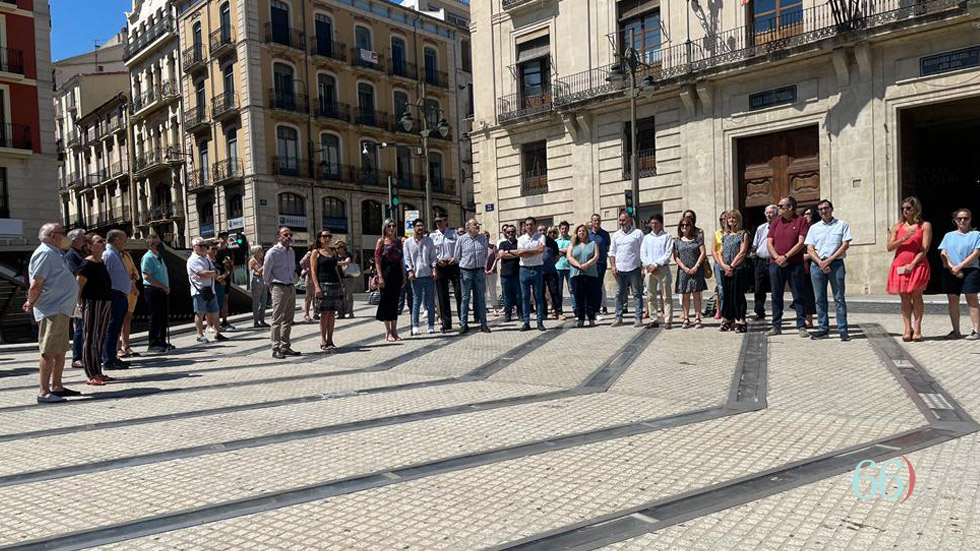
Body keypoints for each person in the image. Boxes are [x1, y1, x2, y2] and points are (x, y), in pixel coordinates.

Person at [25, 223, 80, 403]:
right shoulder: (44, 253)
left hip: (61, 309)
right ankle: (44, 391)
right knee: (49, 351)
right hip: (52, 309)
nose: (65, 236)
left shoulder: (55, 252)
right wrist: (30, 302)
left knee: (60, 350)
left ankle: (57, 386)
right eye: (62, 233)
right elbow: (37, 283)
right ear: (51, 235)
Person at [804, 200, 853, 341]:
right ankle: (823, 329)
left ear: (832, 209)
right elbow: (810, 248)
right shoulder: (814, 228)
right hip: (817, 265)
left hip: (836, 264)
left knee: (839, 298)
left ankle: (843, 330)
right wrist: (820, 262)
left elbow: (845, 245)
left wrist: (829, 261)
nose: (823, 211)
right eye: (820, 209)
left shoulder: (842, 225)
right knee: (819, 299)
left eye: (826, 208)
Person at [887, 196, 932, 342]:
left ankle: (917, 328)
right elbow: (889, 247)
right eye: (903, 208)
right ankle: (907, 328)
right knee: (905, 297)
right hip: (899, 265)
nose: (905, 211)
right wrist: (903, 239)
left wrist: (913, 264)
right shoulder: (898, 227)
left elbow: (924, 248)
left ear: (915, 209)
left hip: (917, 264)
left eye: (908, 208)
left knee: (916, 296)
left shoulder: (924, 226)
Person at [766, 196, 809, 338]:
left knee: (798, 294)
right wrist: (777, 257)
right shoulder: (776, 222)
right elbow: (769, 243)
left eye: (781, 206)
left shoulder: (801, 221)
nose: (778, 208)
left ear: (790, 208)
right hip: (775, 264)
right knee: (776, 295)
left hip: (794, 264)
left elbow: (801, 243)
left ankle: (801, 325)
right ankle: (776, 325)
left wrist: (786, 257)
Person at [76, 234, 114, 385]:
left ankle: (98, 371)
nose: (103, 242)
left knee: (100, 338)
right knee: (90, 337)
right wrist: (79, 304)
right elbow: (78, 285)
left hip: (105, 302)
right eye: (99, 241)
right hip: (91, 303)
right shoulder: (86, 264)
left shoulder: (101, 262)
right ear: (90, 246)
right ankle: (91, 374)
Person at [938, 208, 980, 340]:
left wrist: (960, 266)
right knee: (952, 299)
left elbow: (976, 253)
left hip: (970, 270)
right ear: (955, 220)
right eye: (959, 218)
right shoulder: (948, 236)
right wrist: (952, 267)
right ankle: (956, 330)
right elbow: (943, 253)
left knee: (971, 297)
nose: (962, 221)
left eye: (966, 218)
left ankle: (976, 330)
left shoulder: (976, 234)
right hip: (950, 270)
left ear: (970, 219)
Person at [263, 227, 300, 357]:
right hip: (278, 286)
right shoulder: (273, 252)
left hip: (290, 286)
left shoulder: (291, 252)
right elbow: (266, 271)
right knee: (277, 318)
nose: (289, 237)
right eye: (285, 234)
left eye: (290, 234)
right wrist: (270, 285)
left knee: (288, 319)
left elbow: (292, 269)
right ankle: (275, 347)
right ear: (279, 236)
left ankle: (285, 346)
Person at [101, 230, 134, 370]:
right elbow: (105, 276)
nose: (125, 243)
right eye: (123, 240)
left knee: (115, 329)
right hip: (114, 295)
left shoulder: (116, 254)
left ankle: (112, 357)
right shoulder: (108, 254)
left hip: (120, 294)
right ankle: (108, 359)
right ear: (115, 240)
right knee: (111, 328)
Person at [609, 211, 646, 327]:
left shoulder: (638, 233)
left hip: (634, 268)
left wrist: (643, 267)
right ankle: (618, 317)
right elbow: (612, 252)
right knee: (619, 294)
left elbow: (643, 251)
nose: (621, 223)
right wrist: (613, 266)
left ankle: (638, 318)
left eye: (624, 220)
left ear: (630, 220)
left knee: (637, 294)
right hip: (620, 270)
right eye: (620, 220)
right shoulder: (616, 235)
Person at [454, 219, 491, 334]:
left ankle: (483, 324)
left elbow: (485, 253)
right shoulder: (461, 239)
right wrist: (464, 265)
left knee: (480, 298)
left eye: (478, 224)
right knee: (465, 298)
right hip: (466, 271)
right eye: (475, 224)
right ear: (468, 227)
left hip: (479, 271)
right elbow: (456, 256)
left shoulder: (482, 238)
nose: (477, 226)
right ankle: (464, 324)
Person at [310, 229, 344, 352]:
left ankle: (330, 339)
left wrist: (341, 283)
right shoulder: (316, 252)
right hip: (323, 284)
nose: (327, 238)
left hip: (334, 284)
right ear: (319, 238)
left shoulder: (332, 252)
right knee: (324, 313)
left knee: (332, 313)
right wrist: (317, 287)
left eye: (329, 236)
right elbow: (313, 271)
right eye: (325, 236)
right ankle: (323, 339)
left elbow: (335, 269)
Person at [187, 237, 226, 344]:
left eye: (204, 245)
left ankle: (218, 332)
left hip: (210, 289)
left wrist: (213, 273)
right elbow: (203, 273)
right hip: (199, 290)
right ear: (195, 247)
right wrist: (213, 273)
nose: (204, 247)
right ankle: (199, 334)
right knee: (200, 312)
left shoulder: (206, 258)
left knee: (215, 312)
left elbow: (214, 271)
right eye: (201, 245)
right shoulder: (192, 260)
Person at [404, 218, 438, 335]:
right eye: (418, 226)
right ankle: (415, 325)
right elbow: (407, 258)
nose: (420, 228)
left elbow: (433, 256)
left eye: (422, 226)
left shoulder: (429, 241)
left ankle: (431, 325)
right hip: (416, 276)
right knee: (416, 301)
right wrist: (410, 271)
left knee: (430, 301)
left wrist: (434, 269)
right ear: (414, 228)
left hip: (428, 274)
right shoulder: (408, 242)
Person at [641, 213, 674, 329]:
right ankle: (653, 319)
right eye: (652, 223)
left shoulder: (667, 236)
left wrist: (656, 264)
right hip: (649, 270)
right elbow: (642, 254)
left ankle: (668, 320)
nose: (654, 225)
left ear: (661, 224)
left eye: (656, 223)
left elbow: (668, 253)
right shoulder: (646, 238)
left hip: (662, 268)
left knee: (666, 296)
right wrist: (649, 265)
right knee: (650, 295)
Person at [719, 211, 749, 333]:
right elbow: (720, 253)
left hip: (738, 268)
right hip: (725, 269)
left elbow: (742, 252)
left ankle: (741, 319)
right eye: (729, 218)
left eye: (734, 218)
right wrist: (723, 265)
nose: (731, 220)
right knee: (727, 295)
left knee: (738, 295)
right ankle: (728, 318)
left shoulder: (743, 234)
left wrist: (732, 266)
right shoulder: (725, 236)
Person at [674, 217, 708, 328]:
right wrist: (684, 268)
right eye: (682, 225)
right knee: (685, 295)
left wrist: (696, 266)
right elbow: (676, 257)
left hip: (696, 270)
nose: (685, 227)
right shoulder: (677, 241)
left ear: (691, 226)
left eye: (687, 225)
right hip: (684, 271)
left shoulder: (697, 239)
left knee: (697, 294)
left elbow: (703, 253)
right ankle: (686, 318)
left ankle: (698, 318)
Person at [141, 235, 172, 352]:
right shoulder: (147, 258)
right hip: (153, 290)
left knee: (163, 317)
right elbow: (146, 276)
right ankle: (153, 343)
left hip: (162, 291)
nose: (159, 245)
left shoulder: (159, 256)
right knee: (155, 317)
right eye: (156, 243)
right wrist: (162, 286)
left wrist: (166, 287)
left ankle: (162, 341)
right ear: (150, 245)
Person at [375, 219, 404, 342]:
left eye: (393, 226)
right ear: (385, 228)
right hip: (386, 273)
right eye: (389, 226)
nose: (391, 228)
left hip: (396, 272)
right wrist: (380, 276)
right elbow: (377, 260)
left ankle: (395, 330)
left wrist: (403, 275)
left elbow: (401, 260)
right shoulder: (381, 241)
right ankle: (388, 332)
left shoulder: (398, 242)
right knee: (386, 302)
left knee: (395, 302)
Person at [567, 224, 600, 327]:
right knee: (578, 297)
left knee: (591, 297)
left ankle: (591, 318)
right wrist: (579, 266)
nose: (581, 232)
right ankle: (580, 318)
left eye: (583, 231)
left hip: (590, 274)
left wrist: (587, 264)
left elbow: (596, 256)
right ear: (576, 233)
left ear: (586, 233)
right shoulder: (572, 245)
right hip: (576, 274)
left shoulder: (592, 243)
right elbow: (569, 257)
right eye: (579, 231)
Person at [517, 216, 547, 331]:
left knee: (538, 296)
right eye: (527, 224)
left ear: (534, 225)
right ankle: (526, 322)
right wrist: (534, 250)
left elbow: (541, 250)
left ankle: (540, 322)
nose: (529, 226)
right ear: (524, 226)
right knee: (525, 297)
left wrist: (527, 251)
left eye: (531, 224)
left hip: (537, 269)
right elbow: (520, 253)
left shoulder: (541, 236)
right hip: (524, 269)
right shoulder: (521, 239)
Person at [432, 216, 461, 332]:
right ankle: (446, 322)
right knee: (442, 296)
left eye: (440, 221)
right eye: (436, 222)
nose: (438, 224)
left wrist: (455, 258)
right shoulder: (432, 236)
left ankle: (462, 320)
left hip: (453, 264)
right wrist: (436, 261)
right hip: (440, 266)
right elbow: (431, 252)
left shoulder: (454, 233)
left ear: (446, 221)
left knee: (459, 293)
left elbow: (459, 248)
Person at [65, 228, 87, 369]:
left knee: (85, 327)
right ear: (73, 240)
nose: (84, 240)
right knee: (79, 327)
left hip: (86, 294)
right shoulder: (71, 256)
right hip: (79, 295)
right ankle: (77, 357)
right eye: (82, 238)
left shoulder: (81, 253)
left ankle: (85, 355)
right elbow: (76, 275)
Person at [751, 204, 778, 320]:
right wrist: (753, 253)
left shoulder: (780, 227)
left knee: (775, 288)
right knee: (759, 288)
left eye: (771, 212)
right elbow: (755, 244)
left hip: (774, 261)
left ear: (776, 214)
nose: (768, 215)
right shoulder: (761, 228)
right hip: (761, 261)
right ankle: (759, 311)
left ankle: (776, 313)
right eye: (767, 212)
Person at [799, 206, 819, 328]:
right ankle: (802, 318)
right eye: (804, 214)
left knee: (809, 292)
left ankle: (809, 319)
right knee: (801, 292)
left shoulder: (816, 229)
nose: (805, 216)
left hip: (812, 263)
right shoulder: (802, 229)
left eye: (808, 214)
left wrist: (807, 257)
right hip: (800, 264)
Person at [497, 224, 522, 322]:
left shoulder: (519, 242)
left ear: (515, 232)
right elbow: (501, 255)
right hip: (505, 274)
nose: (510, 233)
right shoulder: (502, 243)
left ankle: (520, 314)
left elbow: (521, 253)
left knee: (518, 295)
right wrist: (515, 254)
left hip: (517, 273)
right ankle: (508, 315)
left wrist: (508, 252)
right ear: (505, 233)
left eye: (512, 231)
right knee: (506, 296)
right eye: (508, 232)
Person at [589, 214, 611, 316]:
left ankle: (597, 309)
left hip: (601, 264)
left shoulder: (605, 234)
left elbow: (607, 248)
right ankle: (592, 308)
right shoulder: (588, 235)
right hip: (590, 265)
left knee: (598, 286)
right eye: (594, 221)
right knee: (592, 286)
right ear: (591, 222)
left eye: (598, 221)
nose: (596, 222)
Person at [541, 225, 562, 320]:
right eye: (540, 230)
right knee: (541, 293)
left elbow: (557, 256)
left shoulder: (553, 243)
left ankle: (559, 312)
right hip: (539, 272)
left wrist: (550, 263)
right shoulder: (535, 242)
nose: (542, 231)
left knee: (554, 292)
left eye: (544, 230)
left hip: (551, 271)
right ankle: (543, 313)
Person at [215, 232, 236, 330]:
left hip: (226, 277)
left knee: (225, 298)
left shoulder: (229, 251)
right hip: (217, 278)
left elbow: (231, 263)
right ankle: (215, 321)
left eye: (226, 238)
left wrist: (229, 275)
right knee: (217, 299)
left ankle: (224, 320)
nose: (224, 240)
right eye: (222, 238)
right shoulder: (215, 250)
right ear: (218, 239)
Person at [555, 221, 573, 319]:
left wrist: (562, 251)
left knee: (572, 290)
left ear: (568, 229)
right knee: (559, 291)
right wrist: (565, 250)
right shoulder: (556, 241)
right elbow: (555, 252)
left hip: (569, 267)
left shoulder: (572, 240)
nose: (564, 230)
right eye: (562, 228)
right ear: (559, 229)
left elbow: (572, 250)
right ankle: (559, 311)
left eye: (565, 228)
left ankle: (575, 309)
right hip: (558, 267)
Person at [248, 245, 269, 328]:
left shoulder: (261, 261)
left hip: (263, 280)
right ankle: (256, 321)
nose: (262, 253)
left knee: (264, 301)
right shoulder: (253, 261)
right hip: (256, 281)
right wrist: (265, 265)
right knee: (256, 302)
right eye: (260, 251)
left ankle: (262, 319)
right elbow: (258, 271)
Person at [711, 211, 727, 320]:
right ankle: (719, 309)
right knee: (720, 288)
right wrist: (719, 262)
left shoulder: (734, 233)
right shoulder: (717, 233)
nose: (723, 221)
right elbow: (713, 250)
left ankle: (729, 310)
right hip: (718, 263)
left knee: (730, 288)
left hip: (730, 263)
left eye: (725, 218)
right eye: (721, 219)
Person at [335, 240, 356, 319]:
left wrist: (336, 263)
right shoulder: (336, 256)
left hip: (349, 277)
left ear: (343, 248)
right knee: (340, 295)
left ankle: (350, 312)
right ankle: (341, 312)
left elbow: (347, 262)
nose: (337, 249)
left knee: (348, 295)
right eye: (336, 248)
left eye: (338, 248)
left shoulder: (348, 255)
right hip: (340, 277)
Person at [484, 231, 499, 317]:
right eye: (484, 236)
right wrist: (484, 270)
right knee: (484, 291)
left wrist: (491, 269)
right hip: (482, 272)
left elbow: (496, 259)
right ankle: (484, 307)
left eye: (487, 236)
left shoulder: (493, 247)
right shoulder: (480, 248)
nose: (485, 237)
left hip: (492, 272)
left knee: (493, 290)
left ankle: (495, 308)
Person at [300, 243, 316, 323]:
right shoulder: (309, 254)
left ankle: (315, 312)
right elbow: (302, 262)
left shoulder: (315, 253)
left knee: (315, 296)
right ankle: (306, 314)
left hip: (315, 276)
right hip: (310, 278)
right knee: (309, 296)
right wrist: (307, 269)